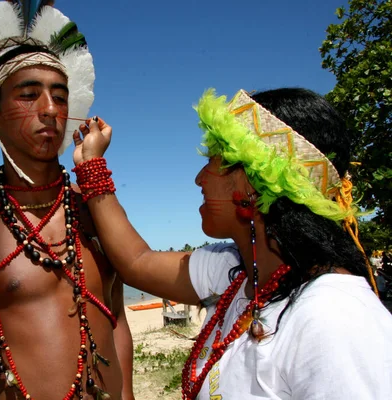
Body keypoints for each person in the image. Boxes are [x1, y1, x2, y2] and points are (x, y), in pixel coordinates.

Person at [71, 88, 392, 398]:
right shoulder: (236, 272)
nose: (199, 178)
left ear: (255, 181)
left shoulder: (335, 315)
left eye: (213, 160)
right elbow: (137, 262)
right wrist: (91, 165)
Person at [0, 2, 134, 400]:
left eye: (60, 96)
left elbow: (116, 320)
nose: (50, 110)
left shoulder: (97, 211)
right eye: (28, 95)